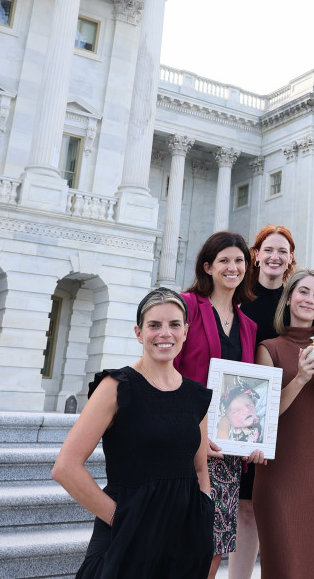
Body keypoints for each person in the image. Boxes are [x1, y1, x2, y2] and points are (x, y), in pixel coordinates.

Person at [53, 287, 214, 578]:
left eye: (174, 324)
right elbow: (65, 467)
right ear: (139, 333)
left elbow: (200, 467)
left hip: (183, 539)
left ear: (186, 332)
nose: (165, 333)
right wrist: (121, 519)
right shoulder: (117, 386)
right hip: (127, 537)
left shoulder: (196, 395)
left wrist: (203, 512)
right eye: (154, 325)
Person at [173, 231, 264, 579]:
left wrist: (253, 439)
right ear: (208, 266)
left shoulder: (248, 326)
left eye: (239, 261)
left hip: (223, 453)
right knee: (179, 545)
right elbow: (167, 370)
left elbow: (244, 390)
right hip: (183, 445)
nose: (233, 267)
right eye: (224, 260)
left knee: (213, 550)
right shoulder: (186, 306)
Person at [253, 270, 314, 579]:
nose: (310, 299)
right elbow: (263, 415)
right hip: (277, 473)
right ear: (290, 298)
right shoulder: (269, 348)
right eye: (303, 292)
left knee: (309, 568)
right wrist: (301, 377)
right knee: (280, 566)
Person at [230, 225, 296, 579]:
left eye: (282, 251)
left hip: (284, 410)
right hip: (240, 409)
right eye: (269, 249)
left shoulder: (294, 299)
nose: (275, 256)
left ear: (290, 258)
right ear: (256, 254)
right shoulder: (239, 295)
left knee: (274, 504)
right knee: (246, 506)